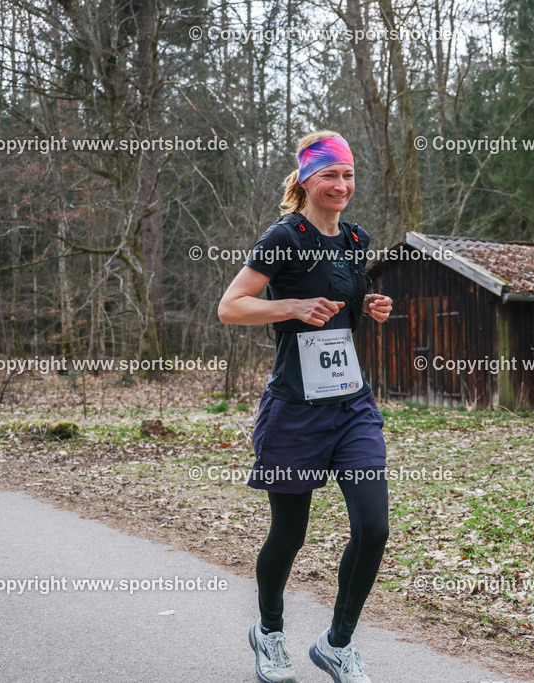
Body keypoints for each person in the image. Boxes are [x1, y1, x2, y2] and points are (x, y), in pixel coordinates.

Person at [218, 130, 394, 683]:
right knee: (289, 535)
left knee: (373, 528)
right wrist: (291, 305)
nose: (341, 185)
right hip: (295, 410)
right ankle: (269, 632)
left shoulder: (356, 239)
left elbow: (342, 310)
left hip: (352, 407)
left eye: (347, 175)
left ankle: (336, 644)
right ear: (305, 181)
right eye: (329, 176)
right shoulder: (284, 237)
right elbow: (230, 306)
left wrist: (372, 305)